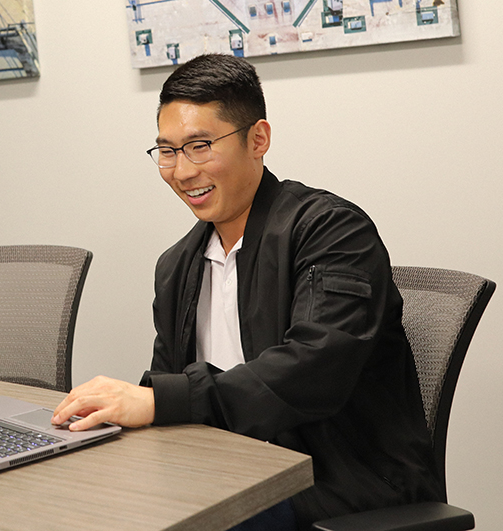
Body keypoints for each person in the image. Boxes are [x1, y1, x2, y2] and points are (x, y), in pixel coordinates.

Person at [51, 54, 444, 530]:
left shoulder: (332, 230)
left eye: (199, 146)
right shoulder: (177, 267)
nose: (181, 171)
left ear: (258, 139)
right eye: (167, 151)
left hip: (338, 486)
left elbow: (313, 369)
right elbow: (174, 392)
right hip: (223, 475)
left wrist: (160, 401)